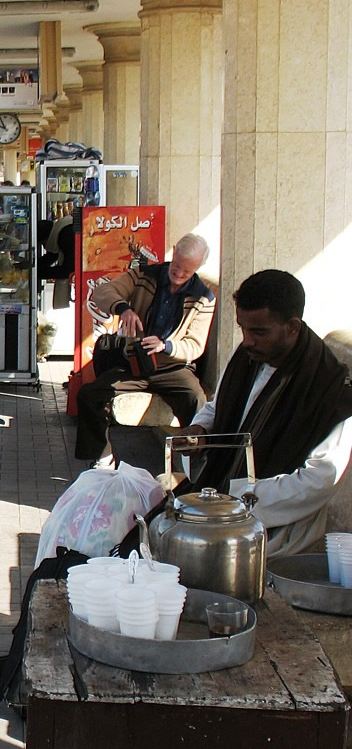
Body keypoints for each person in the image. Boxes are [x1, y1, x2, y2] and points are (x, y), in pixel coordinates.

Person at [179, 270, 352, 557]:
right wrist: (201, 431)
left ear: (293, 327)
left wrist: (237, 499)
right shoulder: (246, 356)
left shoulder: (331, 391)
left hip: (279, 530)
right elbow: (216, 407)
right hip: (219, 499)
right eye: (243, 329)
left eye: (259, 332)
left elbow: (319, 480)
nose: (247, 340)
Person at [74, 234, 215, 466]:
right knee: (90, 395)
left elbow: (195, 346)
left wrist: (166, 346)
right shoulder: (144, 275)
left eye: (187, 272)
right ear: (173, 253)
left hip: (172, 366)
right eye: (177, 266)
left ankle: (199, 463)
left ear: (198, 268)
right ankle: (103, 456)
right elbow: (102, 293)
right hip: (135, 362)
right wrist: (123, 309)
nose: (178, 274)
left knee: (195, 399)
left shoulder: (203, 297)